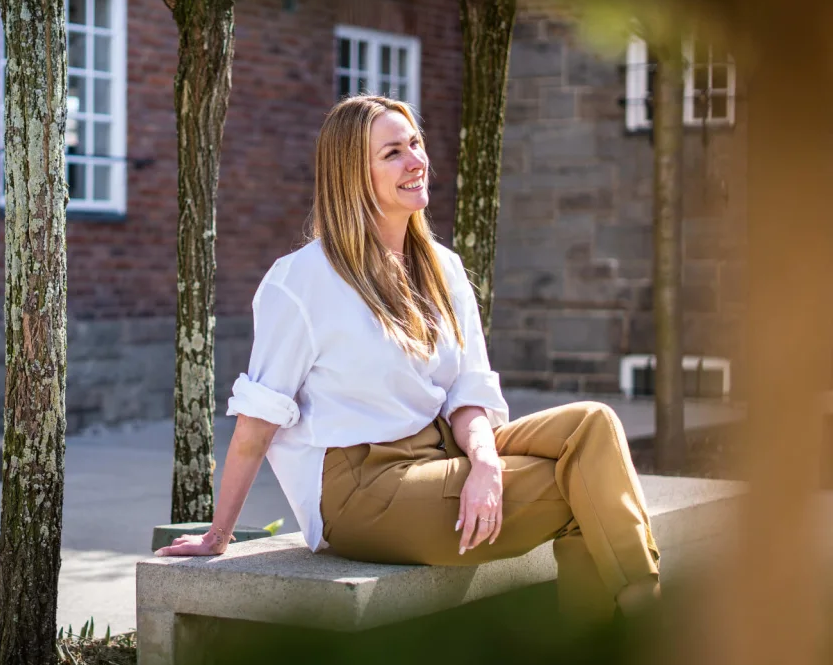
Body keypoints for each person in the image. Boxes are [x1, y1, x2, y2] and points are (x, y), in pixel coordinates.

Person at [156, 94, 661, 621]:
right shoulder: (302, 281)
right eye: (393, 152)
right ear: (353, 174)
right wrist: (217, 535)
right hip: (360, 489)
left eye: (415, 144)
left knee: (592, 424)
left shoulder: (444, 268)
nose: (416, 161)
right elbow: (258, 422)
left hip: (443, 451)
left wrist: (486, 462)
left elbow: (469, 390)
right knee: (586, 494)